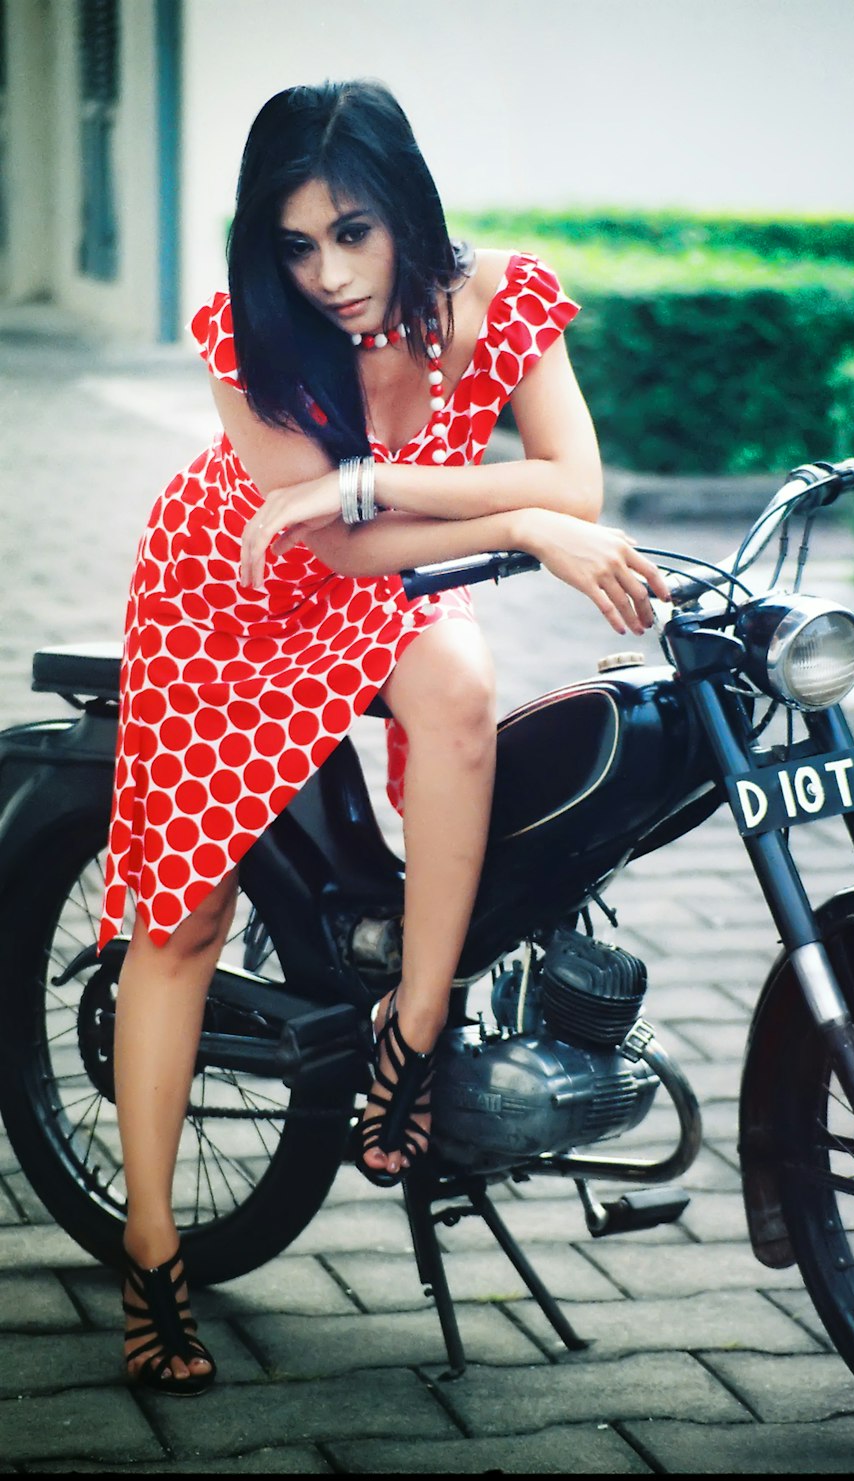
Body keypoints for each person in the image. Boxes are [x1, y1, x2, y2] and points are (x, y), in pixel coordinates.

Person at [100, 78, 672, 1395]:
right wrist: (513, 521)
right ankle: (149, 1247)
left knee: (462, 690)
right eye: (297, 244)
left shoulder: (507, 298)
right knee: (185, 916)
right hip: (229, 584)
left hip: (386, 565)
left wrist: (373, 473)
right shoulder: (245, 330)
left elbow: (573, 481)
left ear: (410, 205)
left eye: (354, 232)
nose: (330, 274)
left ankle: (412, 1034)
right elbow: (350, 537)